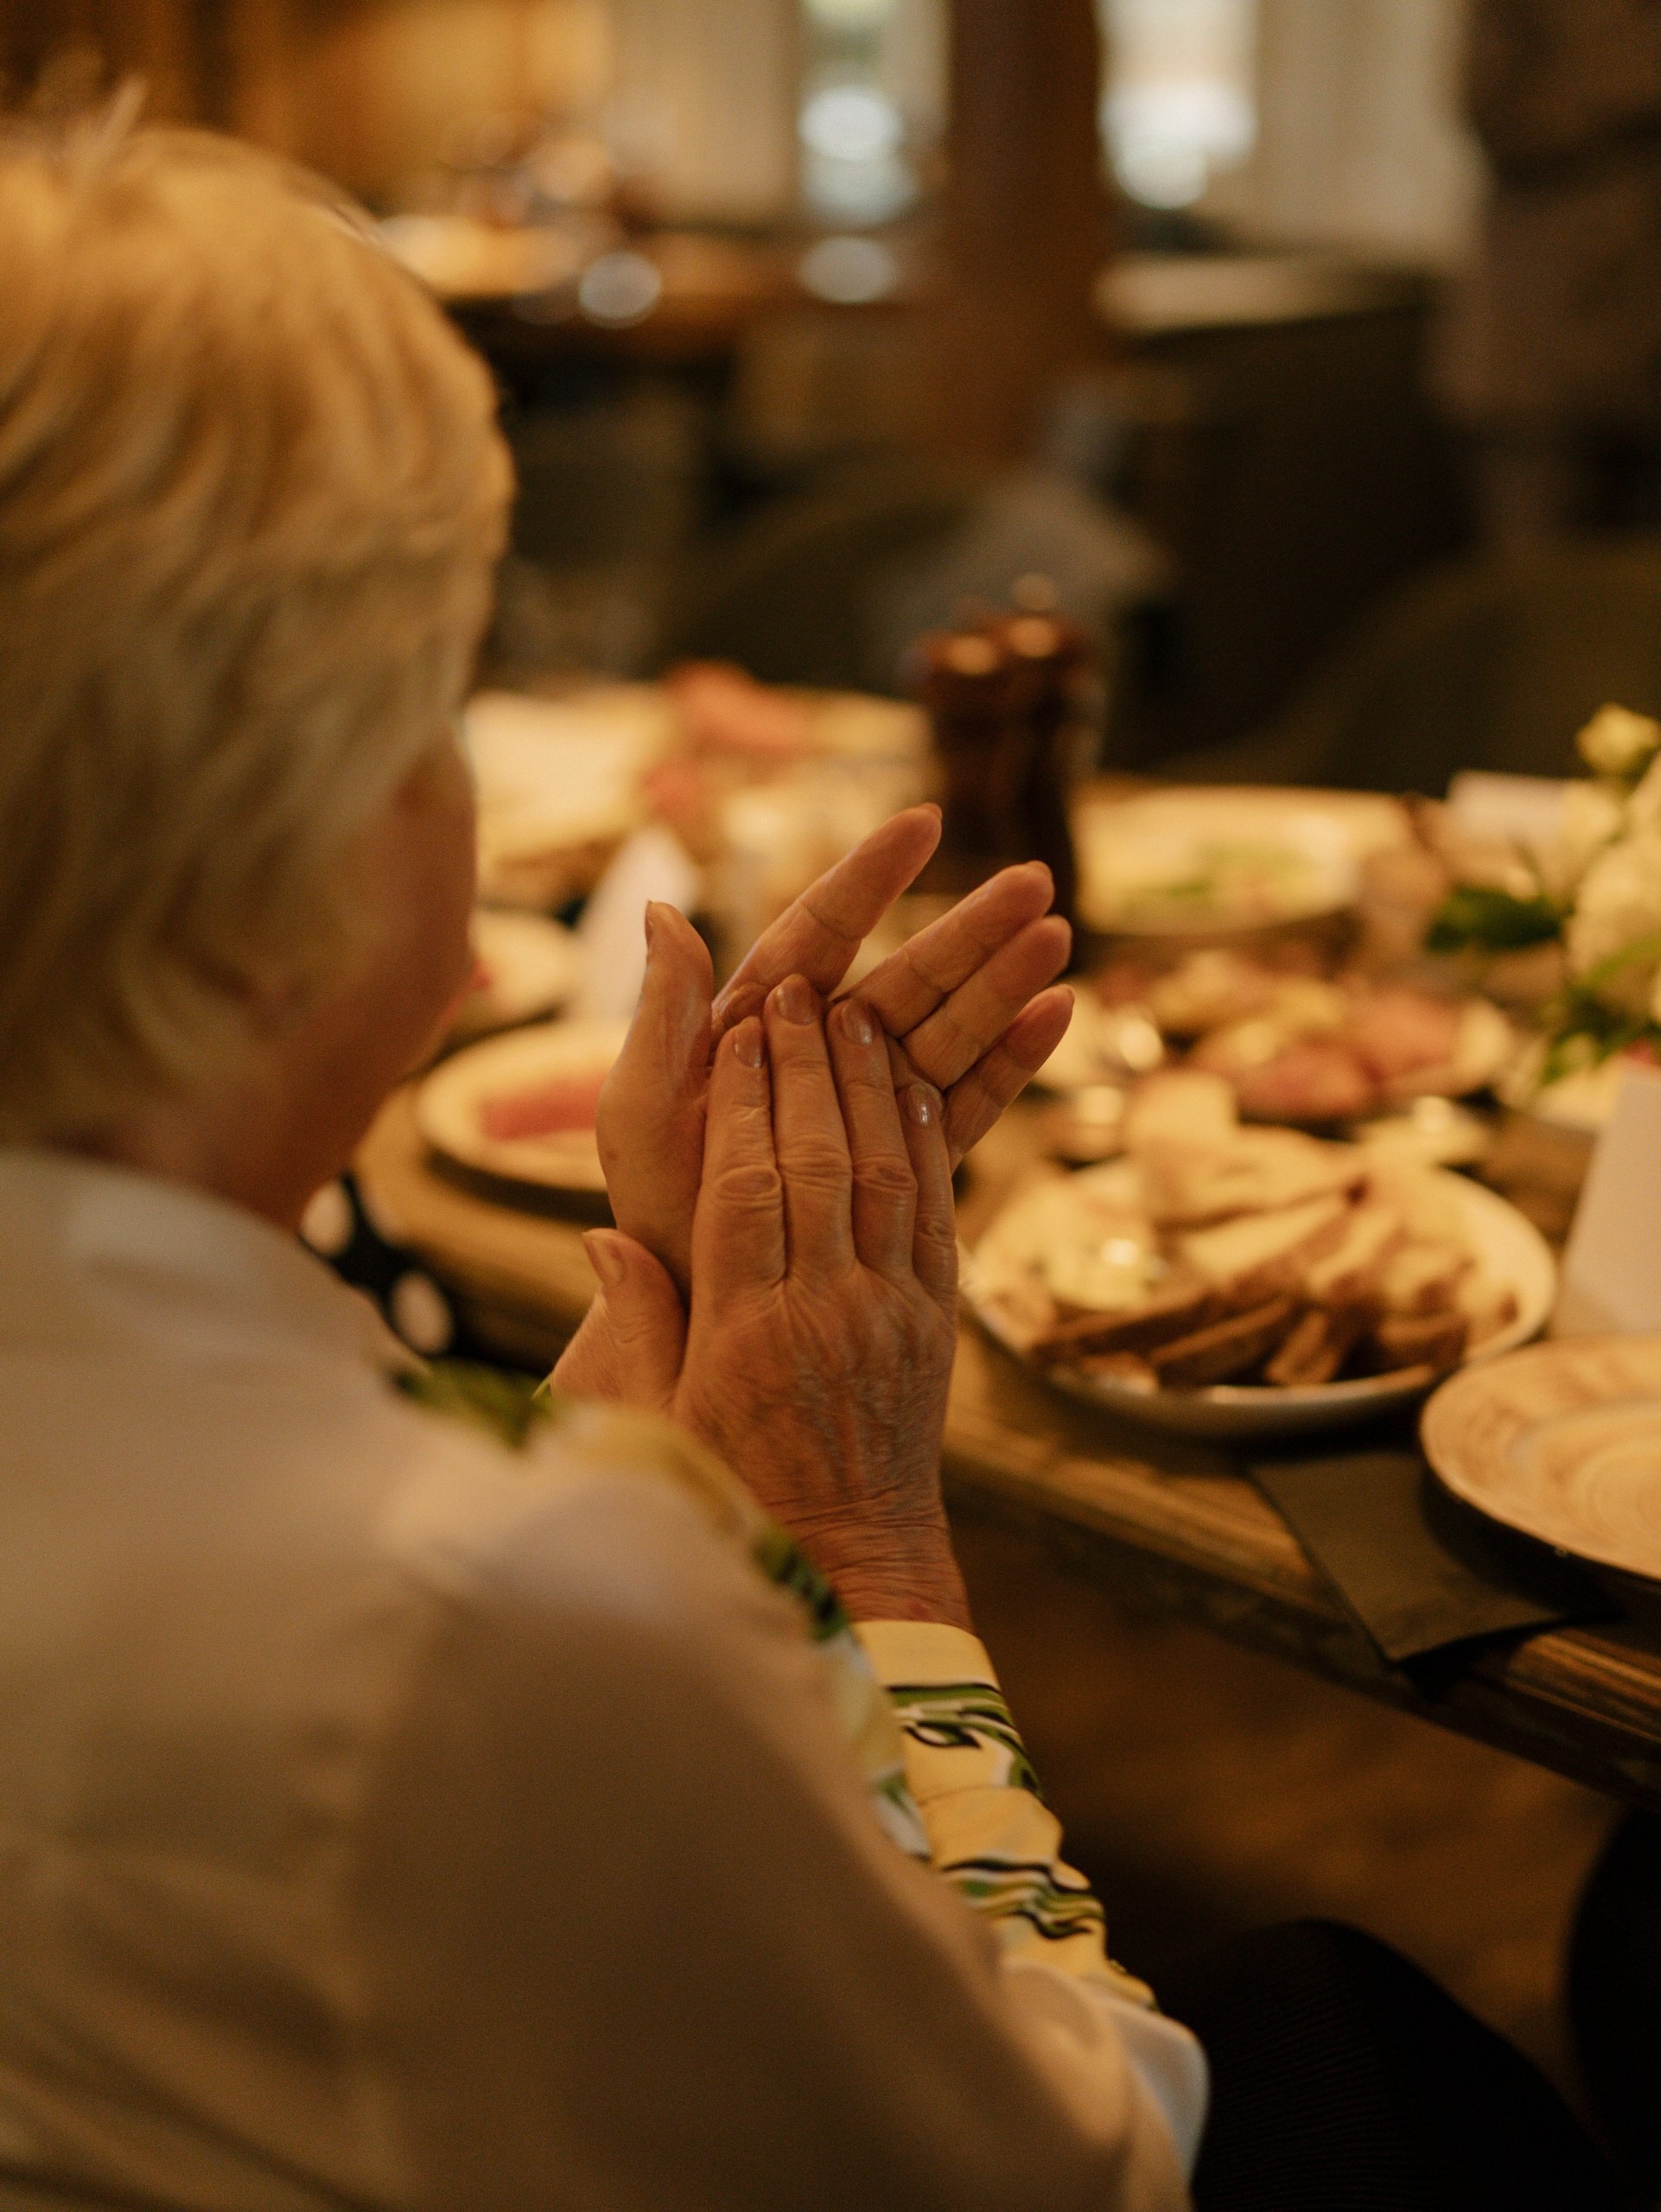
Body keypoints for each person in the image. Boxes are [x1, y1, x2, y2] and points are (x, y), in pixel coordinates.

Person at [0, 115, 1622, 2212]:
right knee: (1344, 2040)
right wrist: (860, 1538)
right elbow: (1088, 2150)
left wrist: (659, 1324)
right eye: (431, 707)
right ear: (257, 883)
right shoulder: (482, 1625)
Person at [1438, 0, 1661, 545]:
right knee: (1540, 598)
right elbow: (1493, 113)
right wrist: (1628, 89)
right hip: (1536, 359)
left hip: (1642, 353)